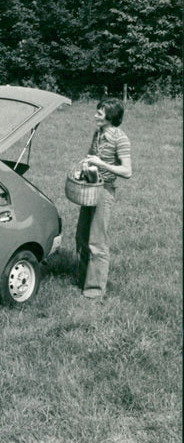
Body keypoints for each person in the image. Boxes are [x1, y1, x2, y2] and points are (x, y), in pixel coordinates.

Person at [75, 98, 132, 299]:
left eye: (99, 113)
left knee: (97, 243)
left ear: (110, 116)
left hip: (104, 191)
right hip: (90, 188)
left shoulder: (121, 139)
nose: (95, 116)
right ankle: (82, 280)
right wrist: (85, 165)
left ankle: (94, 292)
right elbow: (90, 156)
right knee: (81, 237)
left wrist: (101, 164)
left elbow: (127, 171)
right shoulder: (98, 134)